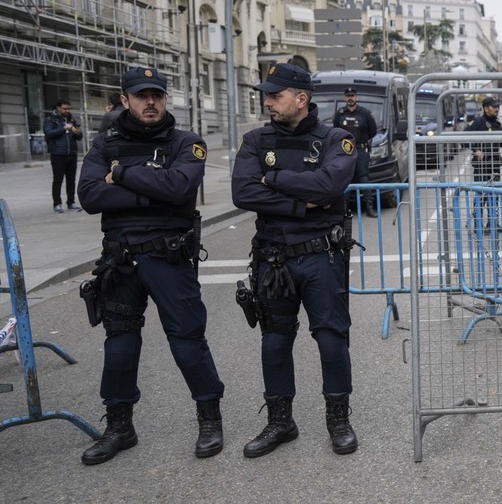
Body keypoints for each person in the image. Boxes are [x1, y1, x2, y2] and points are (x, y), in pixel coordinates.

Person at [76, 67, 225, 465]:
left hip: (168, 257)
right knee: (120, 344)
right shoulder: (105, 143)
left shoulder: (185, 142)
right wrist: (152, 191)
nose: (150, 103)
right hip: (120, 260)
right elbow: (90, 195)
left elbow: (179, 190)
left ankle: (210, 418)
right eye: (141, 96)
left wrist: (122, 176)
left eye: (157, 95)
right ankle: (120, 426)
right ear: (125, 100)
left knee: (187, 341)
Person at [231, 63, 360, 458]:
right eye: (266, 96)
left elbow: (330, 184)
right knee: (274, 341)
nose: (267, 102)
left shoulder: (337, 138)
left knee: (331, 340)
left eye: (275, 95)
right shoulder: (255, 140)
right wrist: (305, 203)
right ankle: (280, 422)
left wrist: (272, 179)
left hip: (321, 256)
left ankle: (338, 419)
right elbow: (242, 193)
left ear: (300, 99)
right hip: (273, 258)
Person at [333, 87, 379, 217]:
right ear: (344, 98)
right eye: (348, 96)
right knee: (346, 177)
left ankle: (369, 207)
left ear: (356, 97)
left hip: (361, 148)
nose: (350, 98)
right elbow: (335, 131)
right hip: (345, 150)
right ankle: (343, 209)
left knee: (363, 177)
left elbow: (373, 131)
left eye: (352, 95)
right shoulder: (340, 114)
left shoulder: (365, 113)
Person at [466, 97, 502, 232]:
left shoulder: (497, 125)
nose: (496, 109)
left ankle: (493, 223)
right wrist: (476, 150)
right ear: (486, 108)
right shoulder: (478, 123)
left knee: (494, 195)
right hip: (481, 166)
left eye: (497, 106)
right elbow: (464, 138)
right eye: (494, 107)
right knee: (480, 196)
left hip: (494, 164)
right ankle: (477, 225)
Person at [44, 98, 84, 212]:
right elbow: (48, 134)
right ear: (58, 108)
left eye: (69, 108)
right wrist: (63, 128)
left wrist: (77, 132)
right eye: (65, 108)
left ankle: (71, 202)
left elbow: (79, 137)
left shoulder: (71, 119)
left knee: (71, 180)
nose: (67, 110)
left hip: (71, 153)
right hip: (57, 153)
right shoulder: (50, 119)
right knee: (58, 179)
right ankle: (57, 204)